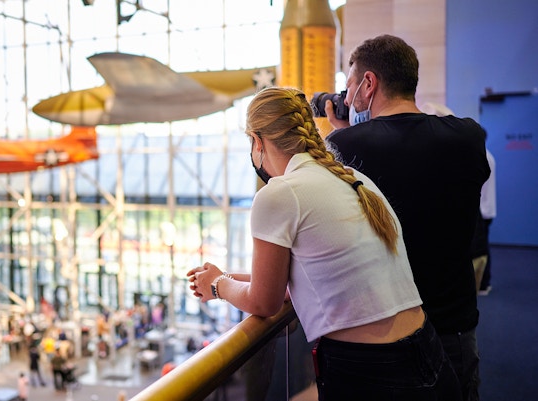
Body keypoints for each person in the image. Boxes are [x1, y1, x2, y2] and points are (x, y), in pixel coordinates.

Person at [187, 86, 461, 400]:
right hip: (428, 352)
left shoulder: (278, 194)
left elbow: (265, 302)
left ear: (257, 141)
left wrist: (217, 285)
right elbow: (311, 274)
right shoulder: (353, 178)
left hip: (373, 372)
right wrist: (227, 276)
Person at [323, 35, 490, 401]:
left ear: (369, 84)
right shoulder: (467, 137)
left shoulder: (349, 146)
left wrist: (342, 133)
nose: (347, 100)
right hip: (456, 323)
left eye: (350, 88)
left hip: (388, 332)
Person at [477, 141, 496, 295]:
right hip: (486, 209)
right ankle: (484, 282)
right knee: (483, 246)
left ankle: (484, 282)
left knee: (482, 248)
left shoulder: (484, 157)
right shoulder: (487, 155)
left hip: (483, 210)